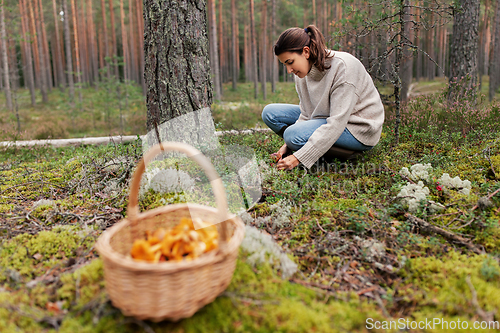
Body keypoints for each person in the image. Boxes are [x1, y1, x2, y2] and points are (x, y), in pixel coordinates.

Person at [262, 25, 385, 171]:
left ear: (306, 52)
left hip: (357, 128)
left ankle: (348, 154)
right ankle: (312, 146)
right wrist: (286, 147)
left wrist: (298, 158)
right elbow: (306, 114)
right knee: (270, 113)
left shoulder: (343, 67)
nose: (289, 70)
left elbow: (337, 123)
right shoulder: (302, 73)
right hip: (326, 118)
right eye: (285, 65)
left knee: (292, 135)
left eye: (290, 62)